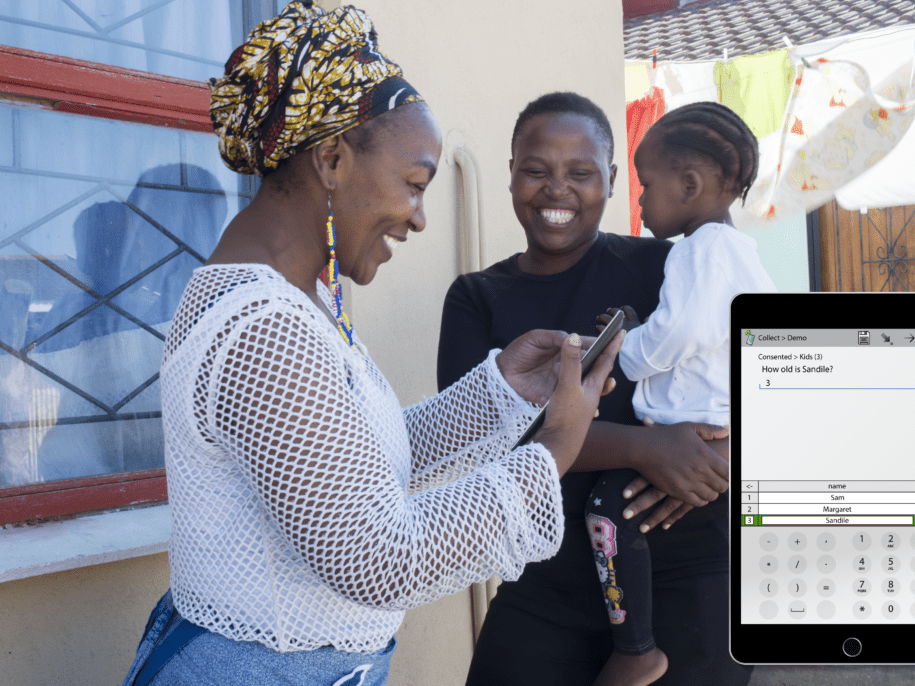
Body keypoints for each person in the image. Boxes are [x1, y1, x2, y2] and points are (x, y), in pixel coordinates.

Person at [119, 5, 621, 686]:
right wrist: (556, 447)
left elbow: (352, 473)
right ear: (330, 159)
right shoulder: (262, 329)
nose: (418, 216)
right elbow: (375, 554)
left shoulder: (300, 302)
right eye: (415, 185)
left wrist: (503, 389)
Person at [437, 92, 752, 686]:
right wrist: (643, 448)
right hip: (545, 584)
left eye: (580, 173)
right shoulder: (477, 297)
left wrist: (726, 452)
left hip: (690, 575)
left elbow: (767, 366)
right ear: (510, 175)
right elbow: (472, 440)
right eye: (536, 170)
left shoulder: (670, 264)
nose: (558, 190)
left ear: (610, 180)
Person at [584, 101, 776, 686]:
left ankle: (636, 649)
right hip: (719, 440)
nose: (639, 203)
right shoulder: (743, 256)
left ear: (690, 185)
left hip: (690, 434)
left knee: (606, 514)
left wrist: (624, 351)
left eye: (647, 186)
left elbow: (681, 332)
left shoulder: (698, 250)